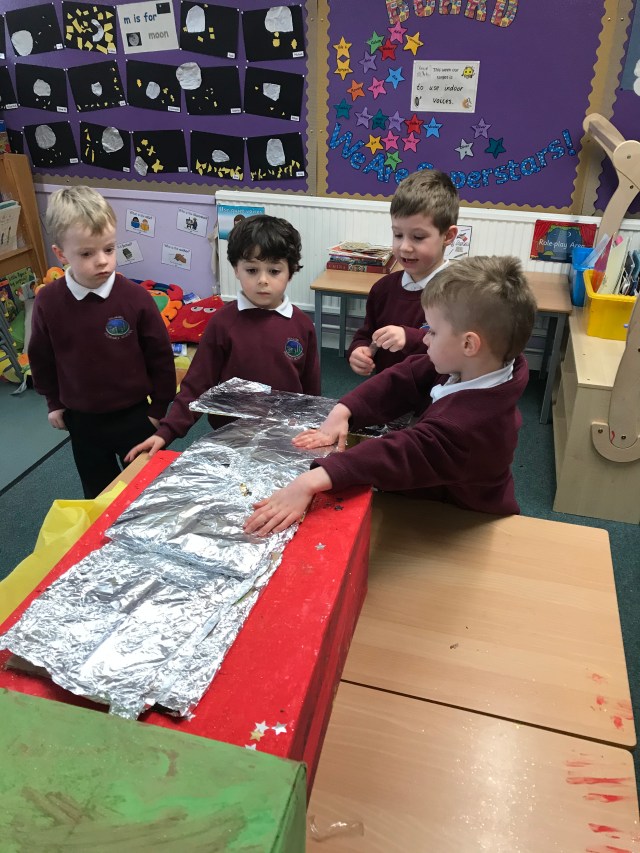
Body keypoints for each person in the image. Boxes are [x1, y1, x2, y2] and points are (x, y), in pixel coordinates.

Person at [244, 255, 537, 536]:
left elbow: (400, 453)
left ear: (469, 344)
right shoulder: (483, 364)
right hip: (436, 496)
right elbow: (404, 378)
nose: (424, 339)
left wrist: (310, 481)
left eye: (433, 332)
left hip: (463, 518)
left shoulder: (468, 426)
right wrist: (345, 410)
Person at [125, 214, 320, 461]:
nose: (262, 280)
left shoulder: (302, 325)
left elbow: (311, 391)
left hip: (285, 438)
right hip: (231, 439)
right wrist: (167, 432)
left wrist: (315, 428)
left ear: (290, 272)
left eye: (274, 270)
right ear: (236, 269)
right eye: (252, 270)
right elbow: (197, 385)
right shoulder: (223, 323)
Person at [28, 186, 176, 498]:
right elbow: (41, 357)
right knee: (98, 493)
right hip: (82, 420)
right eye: (87, 254)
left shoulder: (135, 298)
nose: (102, 261)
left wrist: (160, 408)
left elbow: (160, 357)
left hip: (135, 415)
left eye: (109, 249)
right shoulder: (48, 301)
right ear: (61, 254)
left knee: (150, 489)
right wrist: (53, 402)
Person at [347, 169, 459, 377]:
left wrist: (409, 337)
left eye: (418, 237)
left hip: (435, 394)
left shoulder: (459, 293)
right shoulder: (383, 289)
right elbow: (367, 334)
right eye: (398, 235)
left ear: (448, 236)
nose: (404, 247)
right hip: (388, 389)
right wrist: (359, 350)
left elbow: (459, 350)